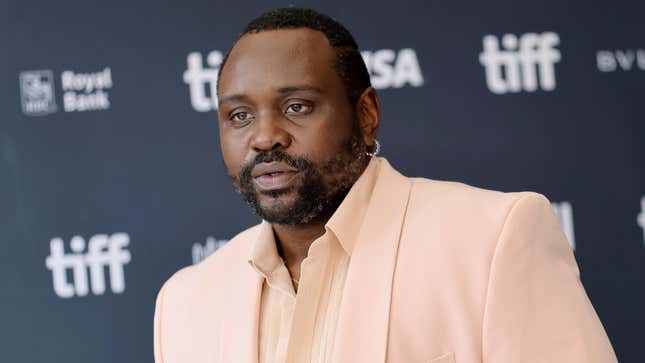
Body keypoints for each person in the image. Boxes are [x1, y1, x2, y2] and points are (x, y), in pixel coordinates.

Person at [153, 8, 617, 363]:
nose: (264, 136)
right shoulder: (186, 300)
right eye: (239, 116)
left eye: (297, 106)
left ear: (367, 115)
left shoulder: (494, 238)